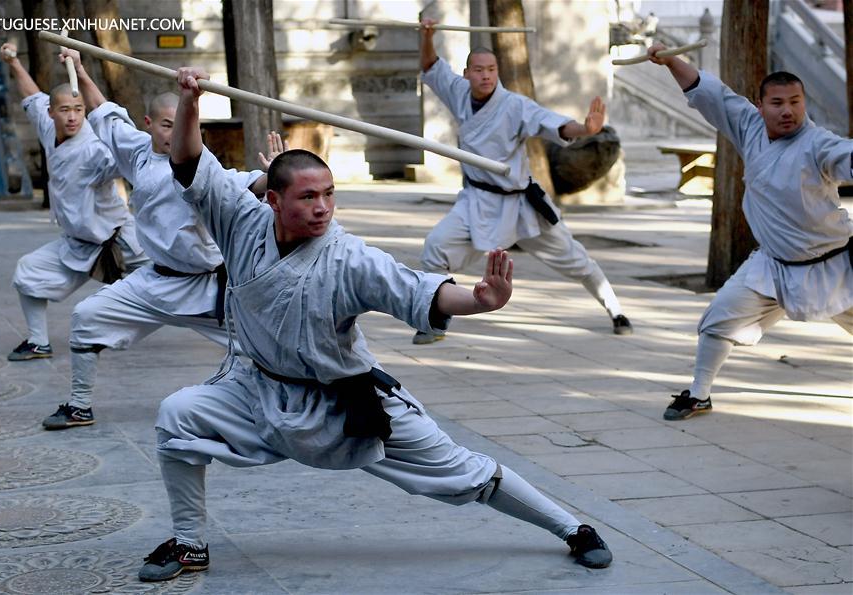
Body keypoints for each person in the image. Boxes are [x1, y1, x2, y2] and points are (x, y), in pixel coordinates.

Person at [136, 66, 613, 583]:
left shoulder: (349, 259)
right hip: (257, 391)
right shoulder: (240, 220)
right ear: (272, 199)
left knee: (462, 472)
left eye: (329, 194)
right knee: (178, 415)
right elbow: (187, 159)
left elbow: (419, 291)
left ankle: (573, 529)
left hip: (347, 400)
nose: (322, 209)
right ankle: (189, 544)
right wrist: (190, 100)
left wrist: (479, 300)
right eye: (307, 197)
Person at [40, 48, 282, 430]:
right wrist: (82, 70)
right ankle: (79, 406)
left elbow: (248, 183)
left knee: (262, 348)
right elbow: (104, 112)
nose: (176, 133)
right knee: (87, 317)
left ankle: (285, 409)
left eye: (182, 123)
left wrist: (276, 174)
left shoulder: (205, 168)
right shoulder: (135, 150)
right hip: (153, 282)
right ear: (150, 124)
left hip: (207, 289)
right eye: (167, 125)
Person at [645, 42, 853, 421]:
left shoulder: (818, 143)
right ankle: (700, 393)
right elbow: (708, 92)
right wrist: (670, 60)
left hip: (833, 266)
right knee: (718, 320)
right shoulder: (749, 126)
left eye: (795, 101)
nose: (787, 110)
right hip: (772, 265)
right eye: (777, 102)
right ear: (761, 106)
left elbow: (846, 156)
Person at [412, 20, 632, 345]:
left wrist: (584, 129)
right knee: (435, 249)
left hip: (521, 205)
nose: (485, 75)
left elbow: (552, 123)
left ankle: (615, 310)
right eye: (478, 69)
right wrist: (427, 36)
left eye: (491, 69)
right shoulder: (458, 92)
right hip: (477, 202)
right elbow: (431, 66)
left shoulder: (515, 105)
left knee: (575, 259)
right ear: (467, 72)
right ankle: (438, 318)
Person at [1, 42, 147, 361]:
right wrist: (13, 61)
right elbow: (31, 96)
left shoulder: (94, 148)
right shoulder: (45, 121)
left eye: (78, 110)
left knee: (183, 284)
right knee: (28, 272)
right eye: (64, 110)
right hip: (78, 244)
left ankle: (233, 332)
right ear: (52, 112)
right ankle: (38, 342)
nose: (72, 117)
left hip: (121, 240)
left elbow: (124, 152)